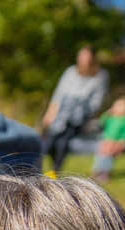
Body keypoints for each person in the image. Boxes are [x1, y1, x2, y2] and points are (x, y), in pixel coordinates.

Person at [40, 45, 109, 176]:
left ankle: (54, 171)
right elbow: (58, 95)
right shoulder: (70, 72)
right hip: (60, 115)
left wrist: (83, 114)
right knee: (48, 143)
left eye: (87, 57)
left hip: (78, 118)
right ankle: (40, 171)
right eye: (81, 56)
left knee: (62, 143)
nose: (83, 60)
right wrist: (50, 113)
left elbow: (96, 103)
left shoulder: (100, 76)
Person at [92, 95, 125, 183]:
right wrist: (106, 114)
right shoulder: (111, 117)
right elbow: (102, 122)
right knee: (100, 155)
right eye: (115, 105)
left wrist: (122, 143)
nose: (116, 107)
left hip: (116, 142)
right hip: (106, 140)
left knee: (108, 157)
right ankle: (96, 171)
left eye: (119, 106)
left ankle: (104, 173)